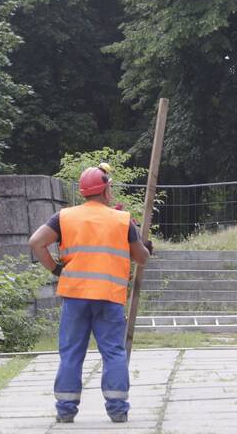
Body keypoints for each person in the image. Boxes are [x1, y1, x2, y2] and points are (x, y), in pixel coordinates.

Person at [28, 163, 152, 424]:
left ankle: (65, 410)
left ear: (83, 192)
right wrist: (145, 246)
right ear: (106, 190)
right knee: (114, 352)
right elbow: (141, 257)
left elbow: (36, 242)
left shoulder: (64, 217)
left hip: (75, 296)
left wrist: (55, 269)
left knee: (71, 353)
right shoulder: (122, 220)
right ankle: (117, 409)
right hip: (109, 297)